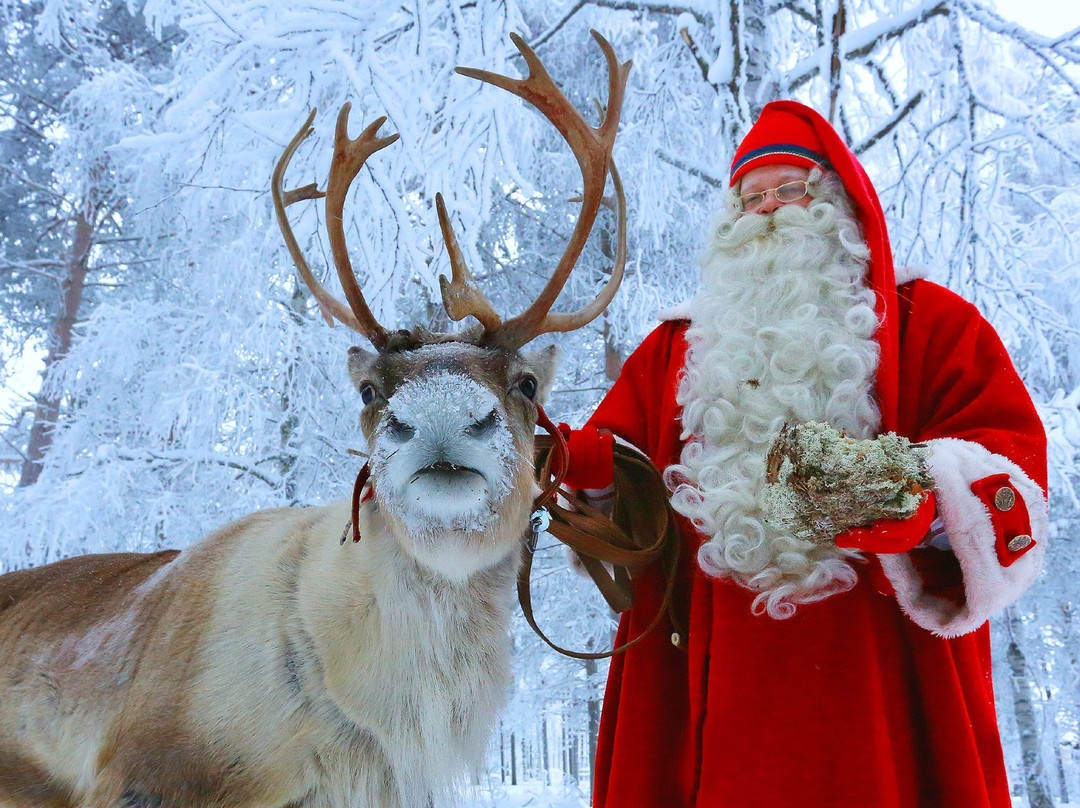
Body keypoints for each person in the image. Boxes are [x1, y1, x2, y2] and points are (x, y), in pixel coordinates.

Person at [561, 100, 1048, 807]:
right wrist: (587, 473)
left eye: (790, 191)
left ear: (838, 205)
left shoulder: (932, 324)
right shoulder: (675, 351)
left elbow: (1013, 471)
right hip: (712, 695)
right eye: (750, 199)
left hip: (876, 689)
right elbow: (622, 499)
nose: (767, 213)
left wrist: (906, 495)